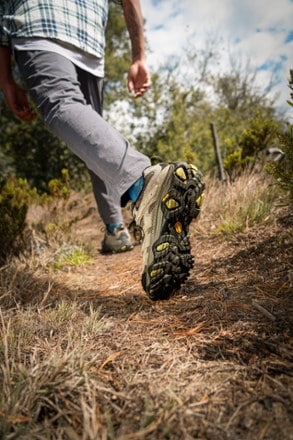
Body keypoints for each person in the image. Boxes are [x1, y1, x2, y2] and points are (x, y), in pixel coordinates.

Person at [0, 0, 205, 301]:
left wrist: (6, 79)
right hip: (89, 36)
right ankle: (117, 229)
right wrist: (139, 56)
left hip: (38, 20)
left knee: (60, 104)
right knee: (93, 144)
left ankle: (144, 186)